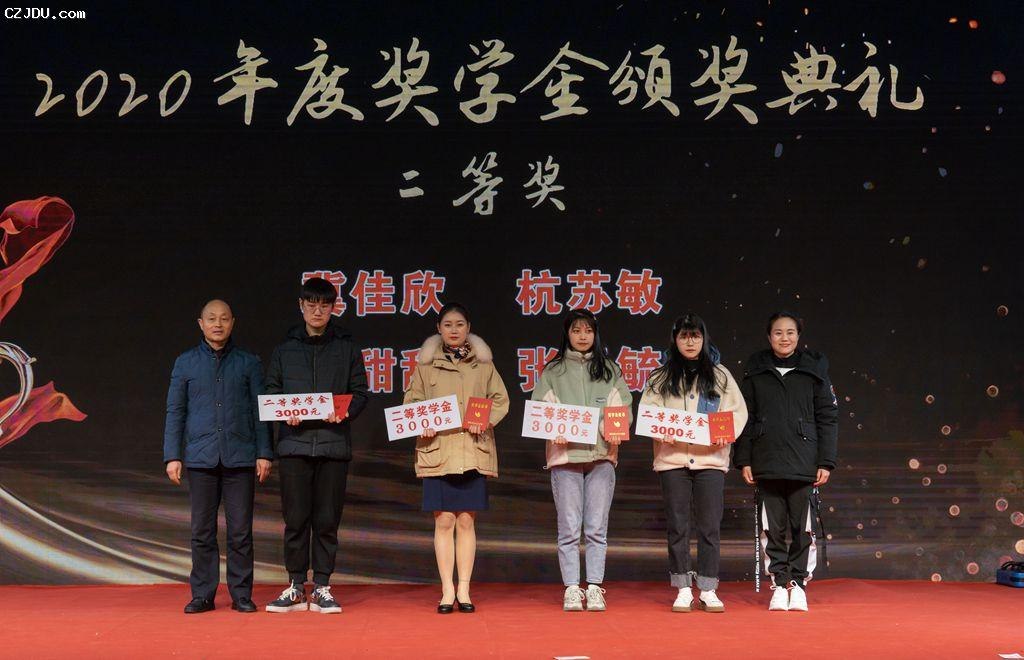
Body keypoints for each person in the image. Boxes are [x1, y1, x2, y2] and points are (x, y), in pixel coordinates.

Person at [264, 277, 369, 614]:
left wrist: (345, 413)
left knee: (326, 520)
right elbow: (271, 391)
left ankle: (322, 585)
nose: (318, 311)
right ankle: (296, 586)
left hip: (333, 445)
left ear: (334, 308)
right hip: (294, 445)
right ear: (301, 306)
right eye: (311, 304)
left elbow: (360, 393)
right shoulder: (284, 350)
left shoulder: (346, 347)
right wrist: (286, 412)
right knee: (295, 519)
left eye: (324, 305)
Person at [163, 299, 273, 614]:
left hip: (240, 457)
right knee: (202, 531)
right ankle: (202, 594)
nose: (218, 324)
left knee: (240, 531)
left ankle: (241, 594)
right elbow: (175, 411)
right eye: (211, 319)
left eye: (224, 319)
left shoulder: (249, 362)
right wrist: (172, 455)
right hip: (200, 458)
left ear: (232, 323)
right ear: (201, 324)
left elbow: (261, 411)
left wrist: (264, 452)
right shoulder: (185, 363)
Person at [404, 302, 509, 613]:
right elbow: (411, 403)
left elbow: (500, 400)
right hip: (438, 451)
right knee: (444, 520)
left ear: (468, 329)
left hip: (472, 450)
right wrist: (421, 422)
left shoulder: (484, 365)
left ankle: (464, 588)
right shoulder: (425, 367)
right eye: (448, 324)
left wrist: (485, 419)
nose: (453, 330)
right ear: (438, 329)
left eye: (459, 324)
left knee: (465, 520)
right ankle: (446, 590)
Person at [639, 314, 747, 613]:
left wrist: (724, 434)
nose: (690, 342)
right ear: (675, 340)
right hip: (672, 460)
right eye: (684, 336)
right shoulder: (660, 377)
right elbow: (648, 412)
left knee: (709, 527)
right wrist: (661, 430)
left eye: (695, 336)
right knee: (678, 526)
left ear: (704, 338)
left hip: (710, 461)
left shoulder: (720, 375)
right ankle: (683, 587)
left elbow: (737, 413)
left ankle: (708, 588)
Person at [734, 311, 838, 612]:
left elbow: (828, 417)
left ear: (798, 336)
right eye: (778, 332)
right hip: (766, 461)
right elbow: (745, 418)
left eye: (790, 332)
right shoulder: (756, 370)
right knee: (773, 528)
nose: (784, 338)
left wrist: (825, 461)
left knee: (802, 528)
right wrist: (744, 459)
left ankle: (798, 584)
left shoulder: (814, 371)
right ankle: (779, 584)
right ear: (769, 337)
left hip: (805, 462)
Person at [531, 309, 633, 612]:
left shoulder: (610, 370)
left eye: (588, 330)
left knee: (597, 528)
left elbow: (623, 408)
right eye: (576, 330)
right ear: (567, 334)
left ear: (595, 334)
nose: (582, 336)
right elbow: (540, 409)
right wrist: (554, 427)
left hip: (602, 457)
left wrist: (611, 429)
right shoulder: (553, 371)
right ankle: (572, 588)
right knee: (569, 528)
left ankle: (595, 587)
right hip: (565, 457)